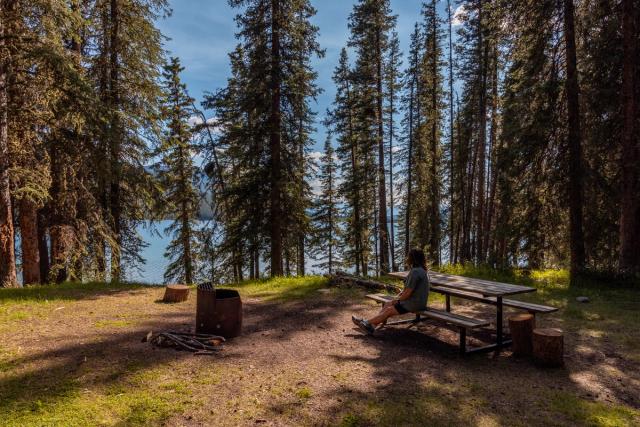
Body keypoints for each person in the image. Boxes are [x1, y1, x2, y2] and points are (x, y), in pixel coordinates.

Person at [352, 248, 430, 335]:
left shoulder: (415, 272)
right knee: (388, 303)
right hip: (418, 301)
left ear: (413, 258)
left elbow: (408, 293)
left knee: (389, 310)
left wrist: (398, 300)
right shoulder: (421, 270)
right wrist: (396, 298)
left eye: (409, 256)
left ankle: (366, 322)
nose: (407, 258)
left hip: (414, 303)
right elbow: (407, 290)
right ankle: (372, 326)